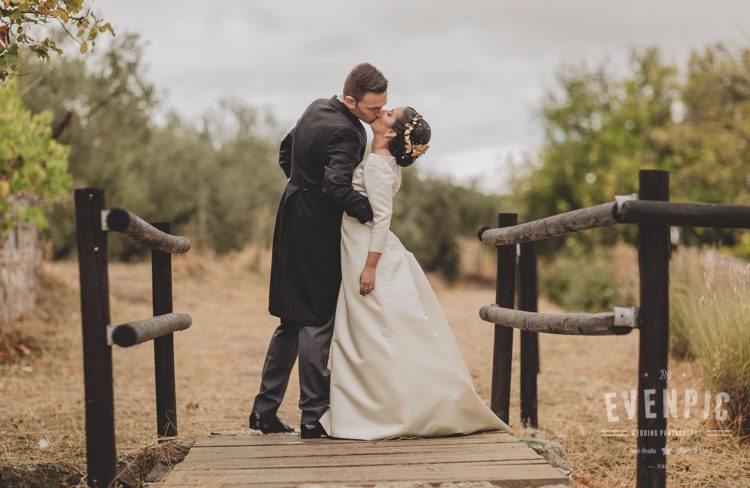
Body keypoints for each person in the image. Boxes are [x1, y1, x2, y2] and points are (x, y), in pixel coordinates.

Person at [318, 107, 512, 440]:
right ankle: (377, 404)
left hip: (367, 252)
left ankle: (383, 409)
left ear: (392, 132)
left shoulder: (378, 165)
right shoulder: (385, 162)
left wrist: (370, 267)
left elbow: (382, 218)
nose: (382, 112)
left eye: (389, 113)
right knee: (371, 330)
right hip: (358, 246)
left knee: (370, 330)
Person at [250, 63, 388, 439]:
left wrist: (302, 185)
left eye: (383, 107)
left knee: (291, 319)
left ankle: (264, 411)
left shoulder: (316, 107)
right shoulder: (350, 132)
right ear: (351, 101)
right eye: (374, 108)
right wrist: (371, 213)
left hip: (290, 212)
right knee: (316, 318)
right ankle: (313, 417)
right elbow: (336, 188)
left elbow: (286, 151)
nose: (378, 114)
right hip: (315, 228)